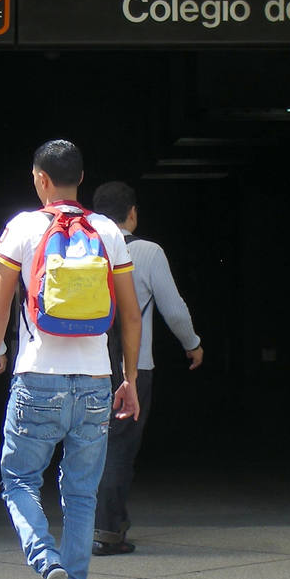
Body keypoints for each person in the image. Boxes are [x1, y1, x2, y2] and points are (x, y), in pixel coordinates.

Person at [0, 139, 142, 579]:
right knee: (83, 495)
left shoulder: (23, 228)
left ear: (39, 178)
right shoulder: (109, 232)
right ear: (80, 178)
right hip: (94, 381)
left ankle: (47, 563)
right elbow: (129, 317)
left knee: (19, 480)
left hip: (36, 378)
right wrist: (128, 378)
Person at [89, 181, 203, 555]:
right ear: (132, 213)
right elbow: (173, 309)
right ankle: (107, 529)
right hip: (132, 368)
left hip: (84, 365)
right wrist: (193, 344)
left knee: (87, 446)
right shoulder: (148, 252)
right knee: (119, 448)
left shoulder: (82, 246)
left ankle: (87, 524)